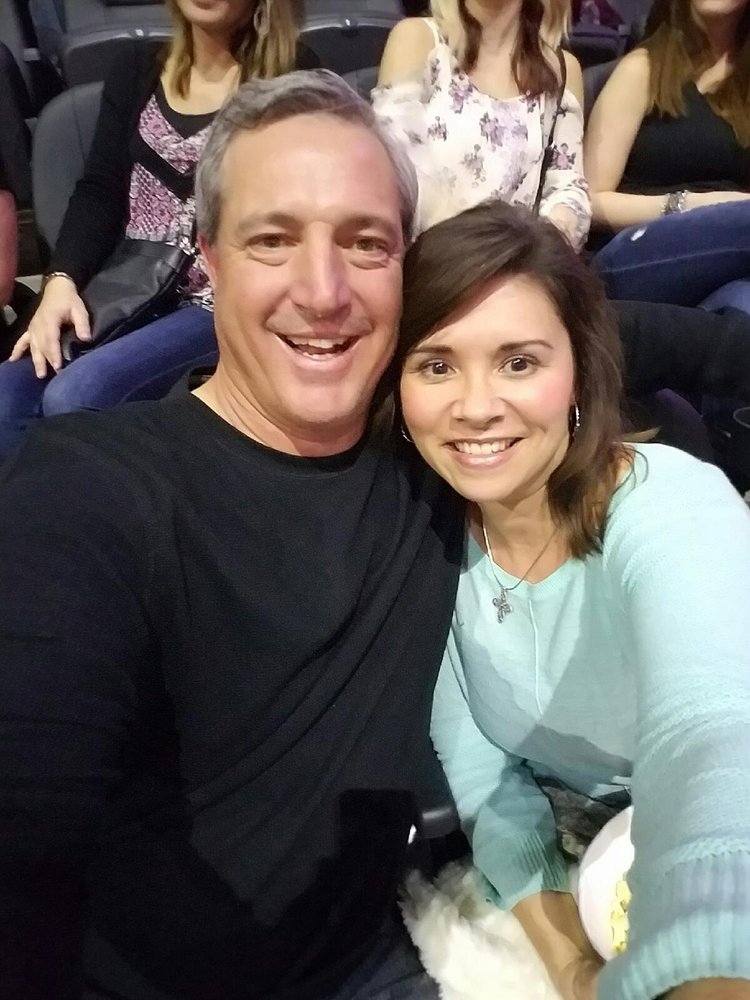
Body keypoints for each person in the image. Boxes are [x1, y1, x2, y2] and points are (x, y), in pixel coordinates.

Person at [0, 71, 463, 1000]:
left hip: (380, 959)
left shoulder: (449, 455)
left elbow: (587, 331)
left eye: (365, 243)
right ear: (209, 260)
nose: (323, 291)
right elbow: (25, 826)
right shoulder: (92, 484)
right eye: (273, 240)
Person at [397, 200, 750, 1000]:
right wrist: (573, 968)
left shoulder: (671, 508)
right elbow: (484, 778)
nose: (476, 406)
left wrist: (710, 956)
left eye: (519, 362)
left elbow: (711, 734)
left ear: (579, 372)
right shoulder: (424, 539)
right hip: (581, 860)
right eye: (437, 365)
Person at [0, 0, 319, 458]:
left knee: (78, 395)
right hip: (131, 282)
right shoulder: (137, 66)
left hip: (222, 297)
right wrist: (61, 282)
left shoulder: (292, 75)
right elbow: (100, 191)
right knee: (8, 394)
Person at [373, 0, 590, 248]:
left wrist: (535, 251)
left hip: (519, 262)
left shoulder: (561, 70)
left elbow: (569, 190)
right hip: (429, 257)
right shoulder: (417, 39)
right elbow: (395, 176)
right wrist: (477, 253)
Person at [585, 0, 750, 311]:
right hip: (636, 253)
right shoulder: (642, 69)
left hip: (729, 264)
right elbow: (591, 200)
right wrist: (690, 205)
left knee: (744, 307)